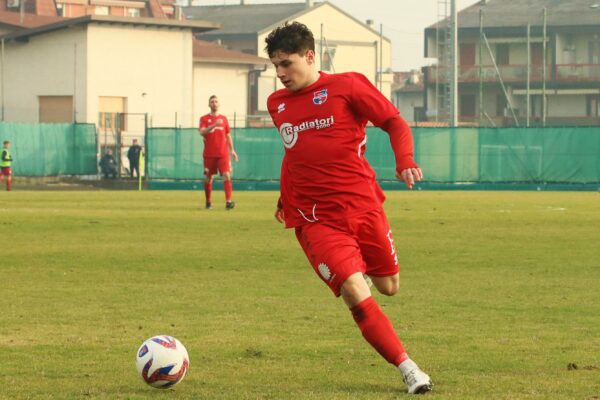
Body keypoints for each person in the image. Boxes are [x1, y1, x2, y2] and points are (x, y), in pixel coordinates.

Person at [264, 22, 432, 394]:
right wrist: (283, 196)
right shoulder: (276, 104)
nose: (279, 74)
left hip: (363, 207)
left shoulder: (348, 86)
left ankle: (359, 272)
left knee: (389, 286)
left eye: (286, 64)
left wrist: (404, 159)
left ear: (310, 57)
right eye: (274, 66)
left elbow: (393, 121)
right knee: (355, 290)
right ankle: (409, 369)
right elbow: (294, 154)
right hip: (314, 219)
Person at [199, 95, 238, 210]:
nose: (214, 103)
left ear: (219, 104)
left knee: (226, 175)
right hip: (209, 154)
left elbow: (228, 135)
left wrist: (232, 150)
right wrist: (214, 125)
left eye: (216, 101)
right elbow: (202, 132)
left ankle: (228, 202)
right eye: (212, 102)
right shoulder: (204, 119)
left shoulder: (224, 119)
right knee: (208, 178)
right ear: (209, 104)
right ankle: (208, 202)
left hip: (223, 154)